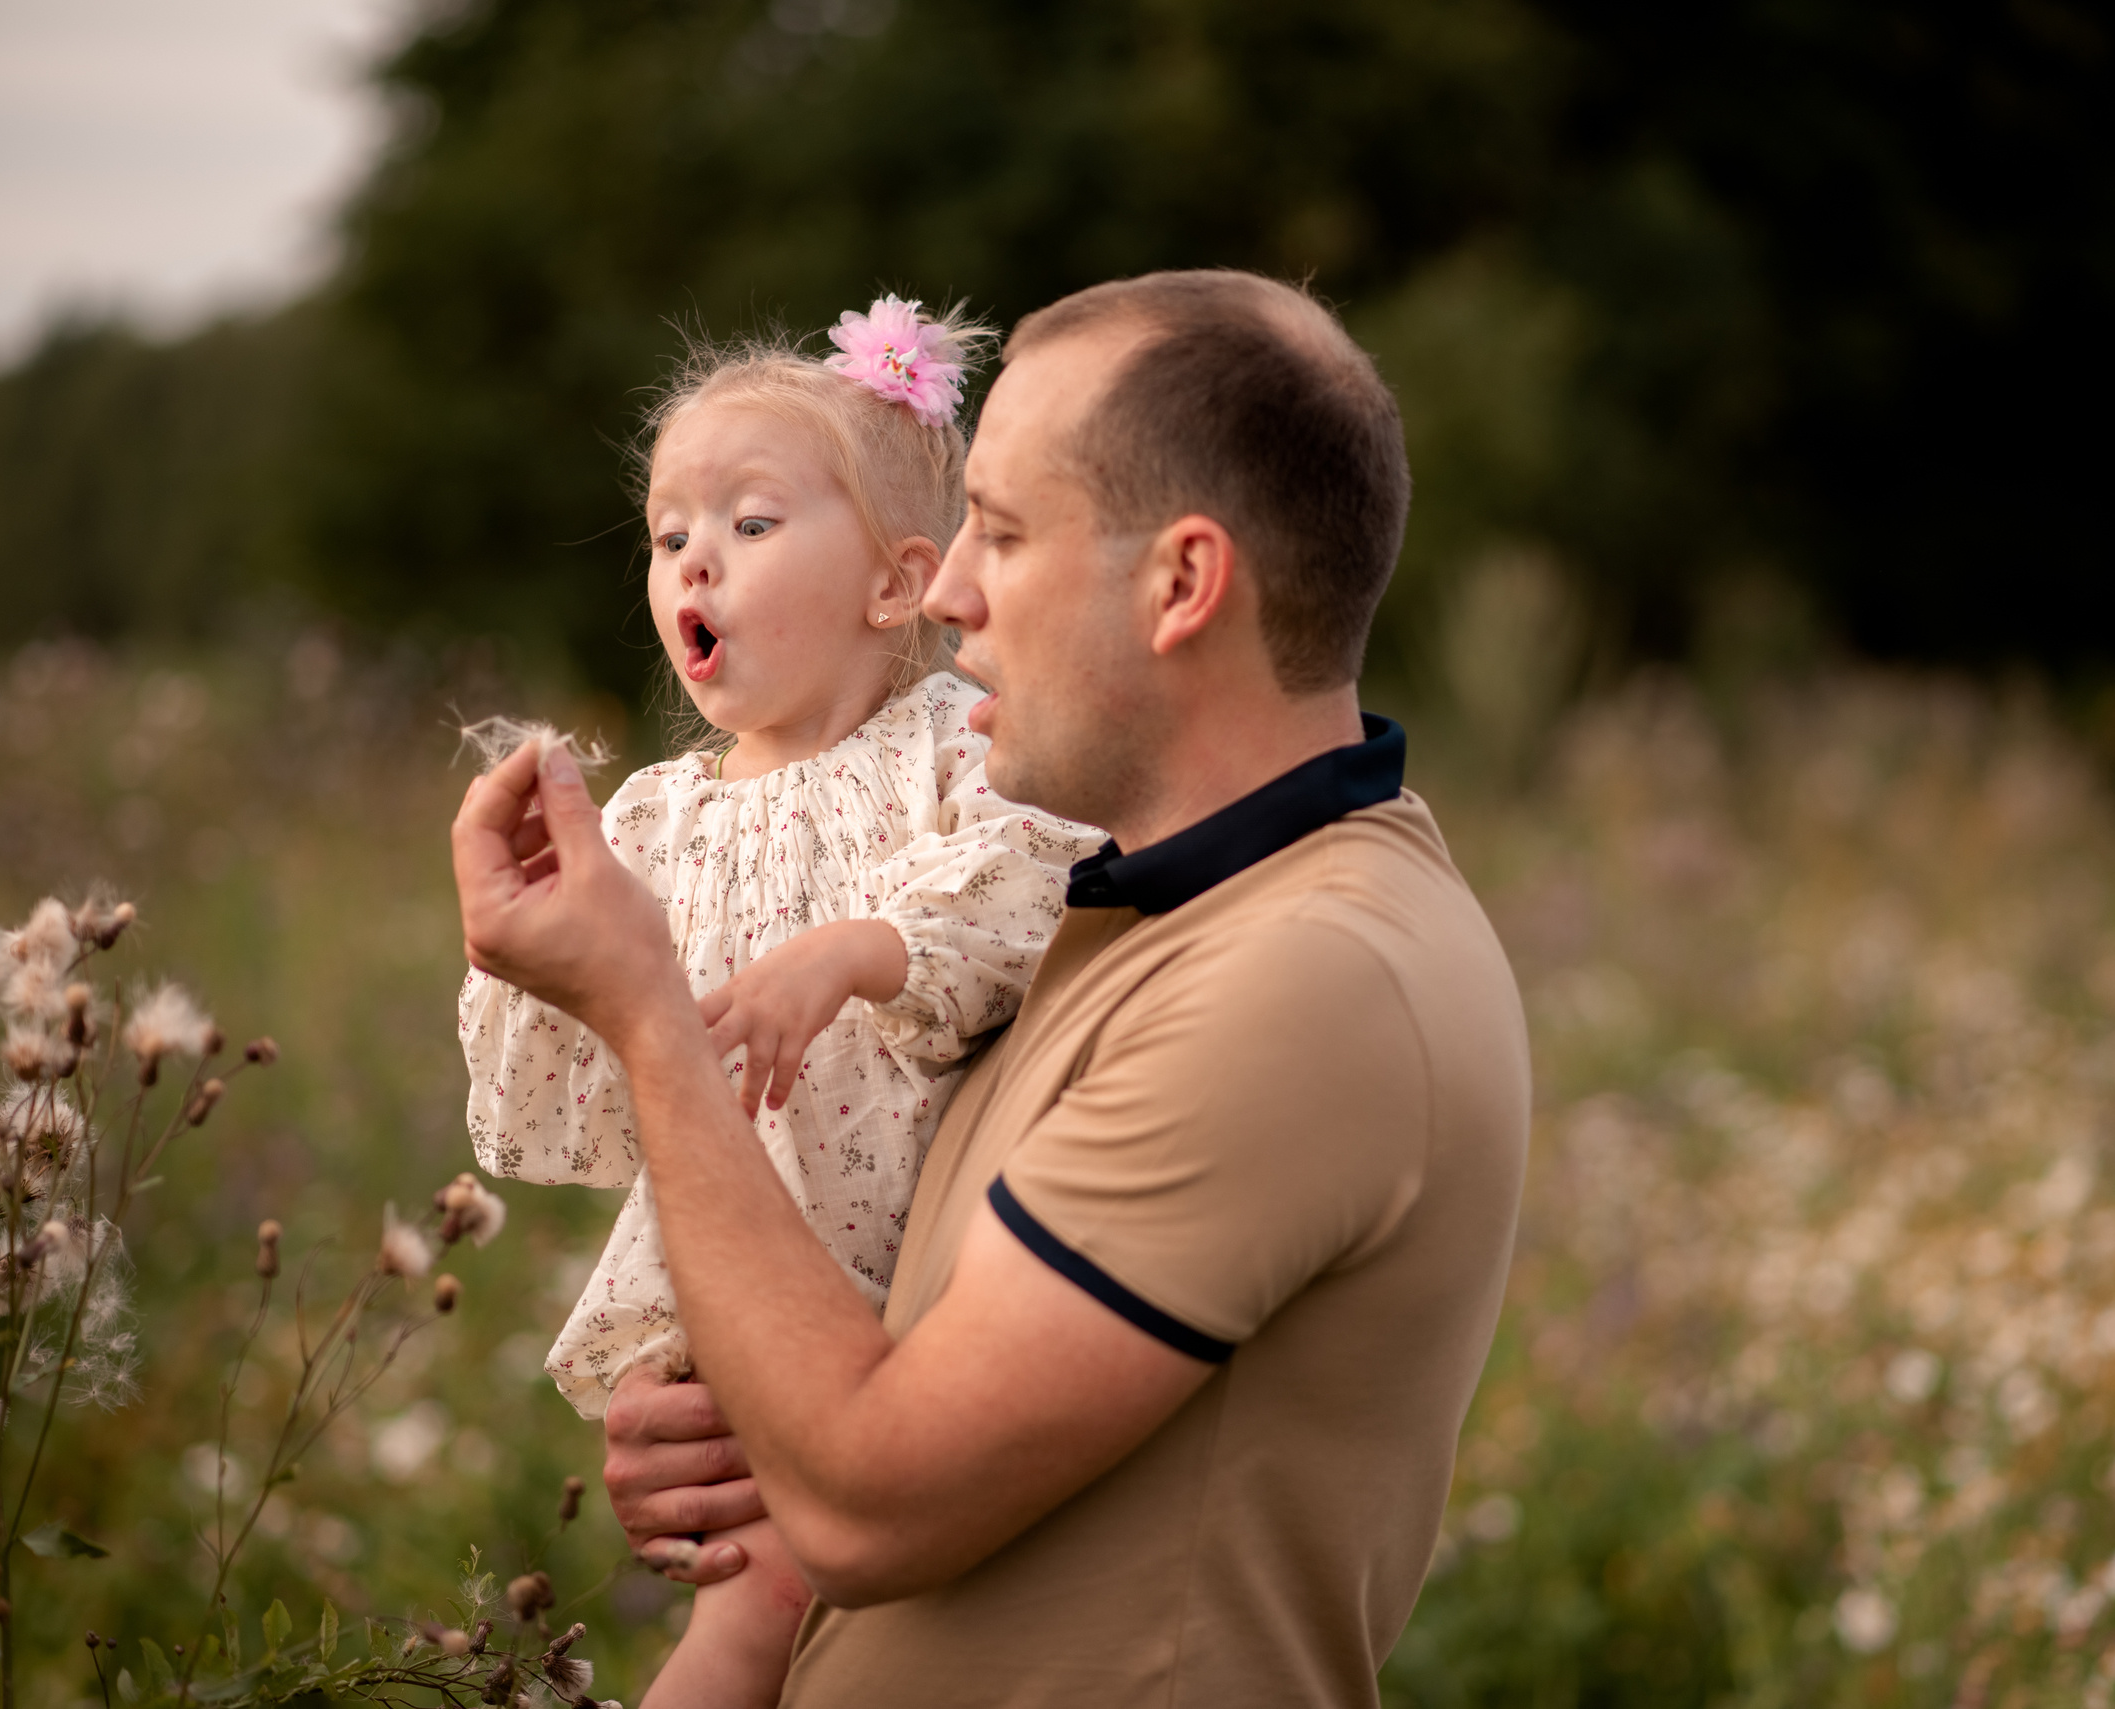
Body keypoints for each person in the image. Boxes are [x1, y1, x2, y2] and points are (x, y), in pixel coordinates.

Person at [453, 269, 1531, 1707]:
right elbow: (879, 1356)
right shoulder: (1131, 902)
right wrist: (735, 1413)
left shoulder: (1308, 977)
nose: (945, 587)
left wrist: (652, 1019)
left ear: (1183, 583)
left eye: (1003, 534)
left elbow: (866, 1500)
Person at [456, 298, 1097, 1709]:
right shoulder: (655, 815)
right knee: (757, 1605)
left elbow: (1030, 872)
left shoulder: (946, 746)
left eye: (750, 523)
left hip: (922, 1267)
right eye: (667, 529)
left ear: (893, 583)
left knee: (808, 1603)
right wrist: (521, 952)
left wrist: (859, 947)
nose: (695, 556)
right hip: (743, 1262)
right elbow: (584, 1075)